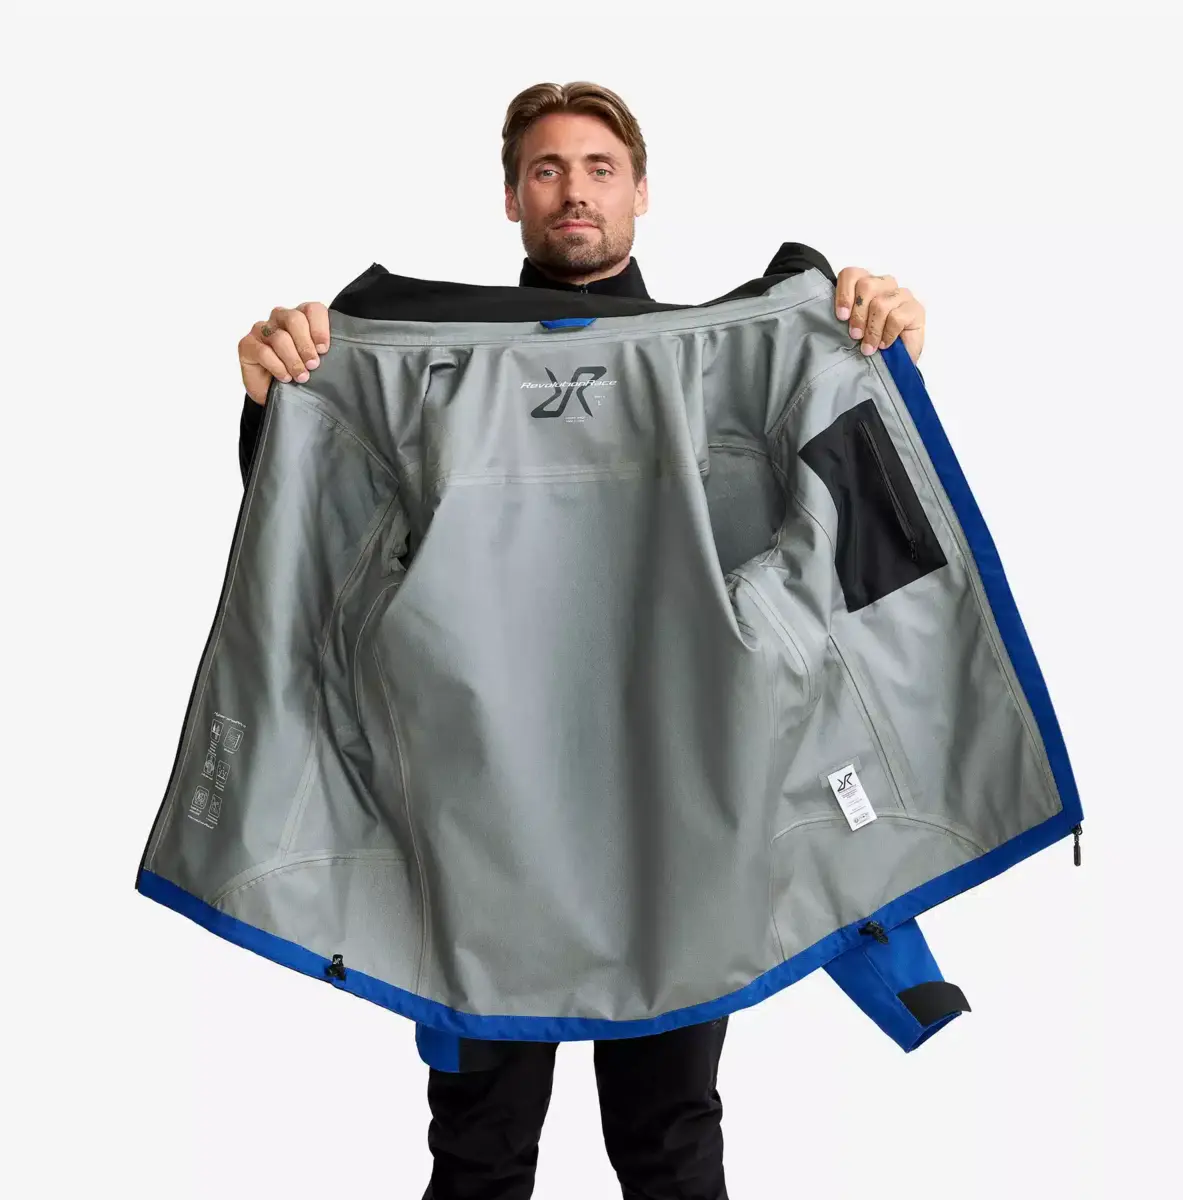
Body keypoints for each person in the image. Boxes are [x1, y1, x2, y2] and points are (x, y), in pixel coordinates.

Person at [233, 80, 930, 1200]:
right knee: (479, 1148)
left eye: (600, 168)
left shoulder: (732, 360)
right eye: (547, 169)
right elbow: (323, 537)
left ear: (641, 192)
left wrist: (877, 360)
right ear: (512, 197)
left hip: (678, 809)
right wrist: (280, 402)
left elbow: (852, 539)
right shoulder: (423, 363)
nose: (574, 190)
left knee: (671, 1141)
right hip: (486, 818)